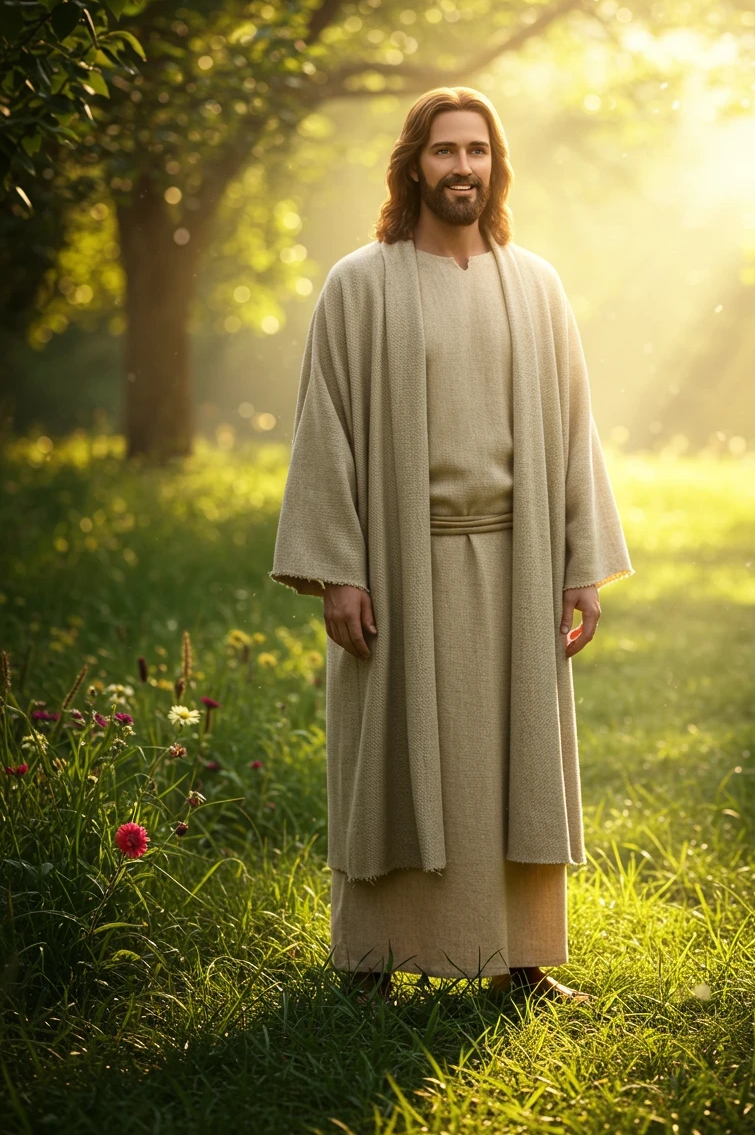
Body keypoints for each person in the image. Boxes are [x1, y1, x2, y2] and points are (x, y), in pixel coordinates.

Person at [269, 86, 634, 1008]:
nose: (461, 166)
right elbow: (326, 433)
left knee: (518, 758)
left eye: (476, 150)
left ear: (495, 166)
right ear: (412, 165)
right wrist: (338, 572)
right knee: (390, 757)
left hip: (516, 563)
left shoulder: (536, 285)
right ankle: (371, 963)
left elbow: (575, 429)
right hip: (401, 563)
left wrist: (580, 564)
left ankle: (522, 961)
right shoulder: (361, 284)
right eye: (444, 151)